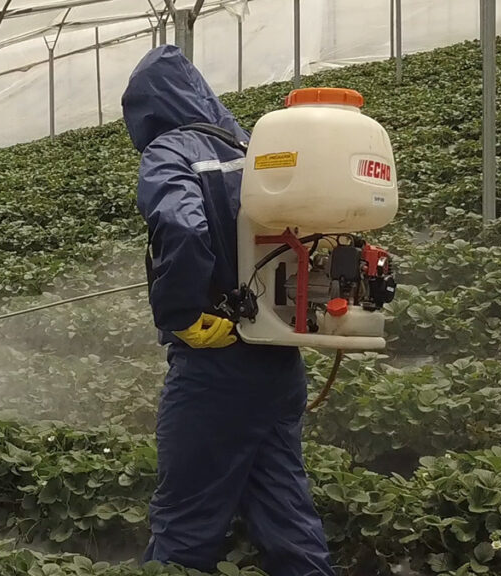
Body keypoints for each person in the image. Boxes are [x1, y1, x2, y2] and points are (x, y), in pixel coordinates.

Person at [120, 45, 336, 576]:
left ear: (145, 110)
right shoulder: (254, 148)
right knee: (285, 510)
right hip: (279, 359)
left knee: (186, 519)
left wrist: (181, 313)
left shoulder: (170, 151)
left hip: (218, 369)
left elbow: (184, 227)